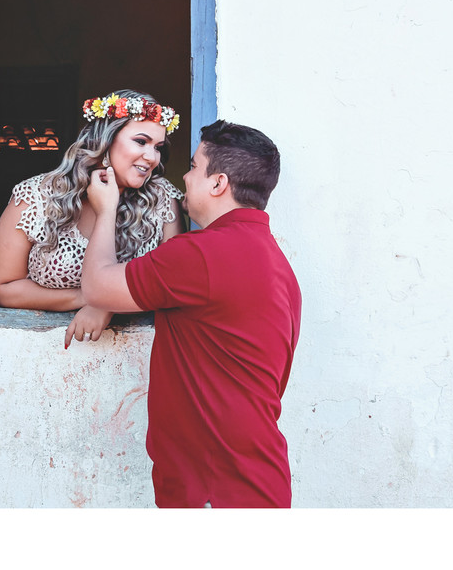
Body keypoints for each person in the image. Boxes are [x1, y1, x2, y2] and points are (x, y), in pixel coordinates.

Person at [66, 120, 302, 508]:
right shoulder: (278, 265)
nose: (184, 177)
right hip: (252, 476)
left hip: (214, 486)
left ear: (218, 183)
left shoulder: (201, 254)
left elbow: (96, 287)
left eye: (193, 167)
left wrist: (105, 210)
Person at [0, 90, 187, 323]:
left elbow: (171, 282)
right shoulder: (35, 196)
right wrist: (90, 299)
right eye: (141, 142)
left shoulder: (161, 198)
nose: (152, 157)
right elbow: (4, 287)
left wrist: (109, 306)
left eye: (158, 147)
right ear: (105, 139)